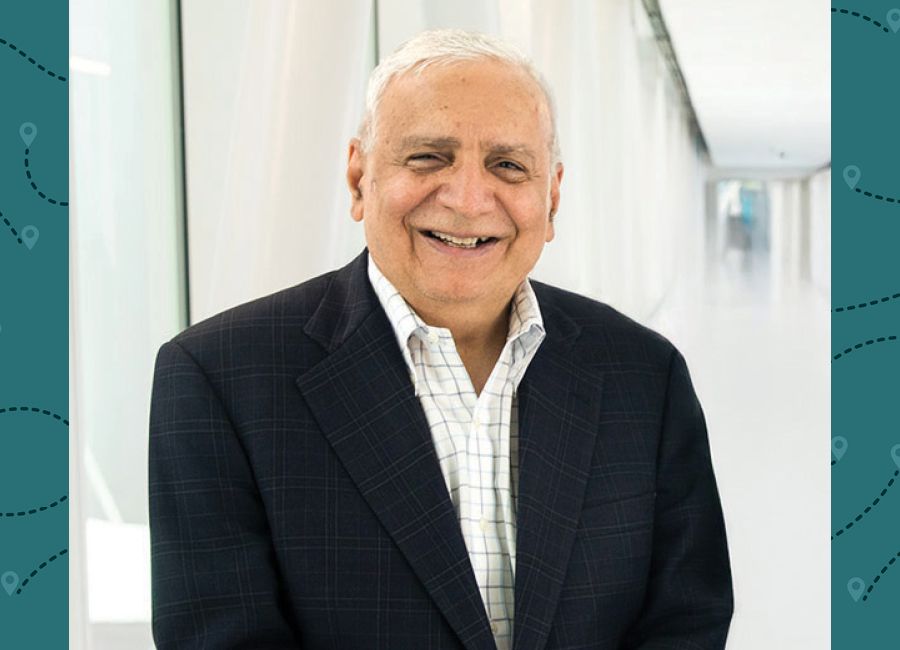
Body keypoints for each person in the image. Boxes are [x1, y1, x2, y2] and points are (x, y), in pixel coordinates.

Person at [149, 28, 733, 650]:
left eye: (507, 165)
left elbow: (685, 620)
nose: (466, 197)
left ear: (552, 196)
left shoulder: (645, 375)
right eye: (429, 156)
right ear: (358, 178)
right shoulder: (219, 379)